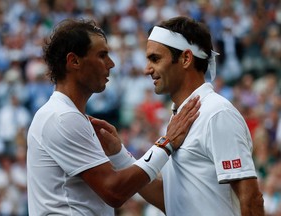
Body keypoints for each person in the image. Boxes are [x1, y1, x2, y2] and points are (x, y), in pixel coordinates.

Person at [92, 16, 265, 215]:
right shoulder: (179, 117)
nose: (146, 69)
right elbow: (171, 201)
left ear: (185, 59)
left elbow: (251, 199)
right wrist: (119, 154)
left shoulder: (217, 113)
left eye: (155, 59)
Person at [26, 18, 201, 215]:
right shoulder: (62, 117)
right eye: (102, 55)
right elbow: (114, 192)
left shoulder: (65, 115)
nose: (111, 64)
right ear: (74, 61)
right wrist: (166, 143)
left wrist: (119, 153)